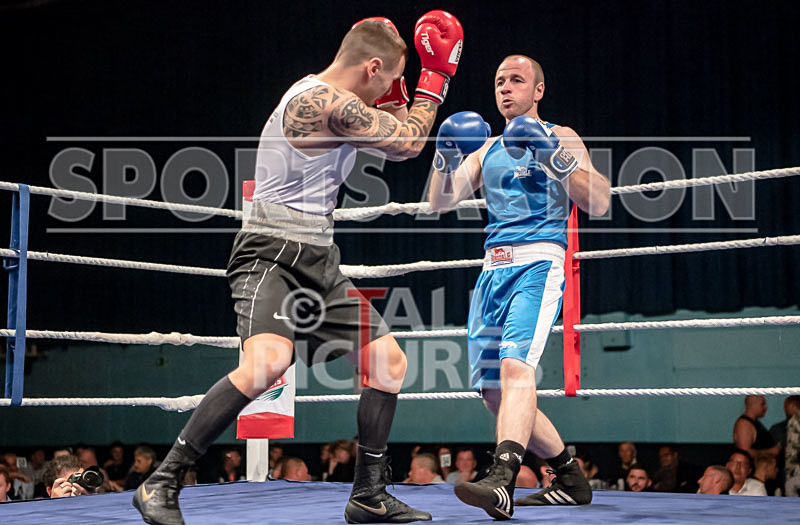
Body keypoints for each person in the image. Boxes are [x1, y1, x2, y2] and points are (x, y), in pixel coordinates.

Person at [133, 12, 463, 525]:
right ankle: (162, 481)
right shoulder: (320, 100)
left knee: (388, 364)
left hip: (317, 255)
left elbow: (393, 140)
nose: (392, 88)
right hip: (269, 251)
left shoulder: (343, 100)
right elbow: (408, 144)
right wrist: (434, 78)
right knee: (266, 364)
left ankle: (368, 495)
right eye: (390, 78)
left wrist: (397, 93)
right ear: (371, 67)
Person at [428, 54, 610, 519]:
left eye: (516, 80)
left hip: (538, 264)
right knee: (493, 389)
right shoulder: (485, 148)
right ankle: (568, 476)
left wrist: (554, 156)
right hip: (492, 272)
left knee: (514, 368)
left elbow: (600, 201)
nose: (505, 88)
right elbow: (439, 202)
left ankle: (502, 478)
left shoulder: (559, 136)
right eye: (498, 81)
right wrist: (443, 153)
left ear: (539, 90)